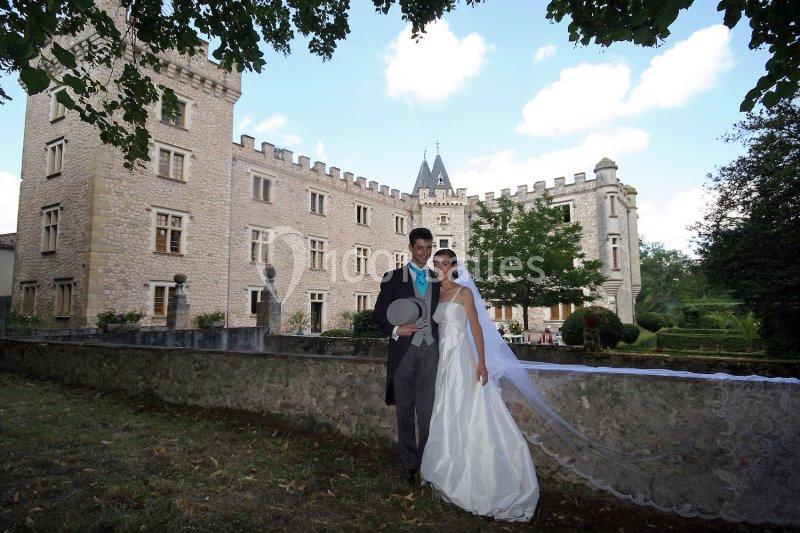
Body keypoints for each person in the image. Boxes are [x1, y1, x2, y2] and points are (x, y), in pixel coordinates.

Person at [420, 248, 539, 521]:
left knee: (466, 410)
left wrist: (481, 362)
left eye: (445, 264)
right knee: (446, 410)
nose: (440, 268)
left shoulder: (464, 292)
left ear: (454, 266)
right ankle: (447, 473)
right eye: (436, 264)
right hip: (444, 360)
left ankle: (481, 482)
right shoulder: (436, 295)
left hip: (463, 358)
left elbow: (476, 327)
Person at [373, 228, 441, 485]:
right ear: (411, 248)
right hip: (403, 353)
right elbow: (378, 315)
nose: (424, 253)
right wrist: (395, 330)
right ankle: (408, 465)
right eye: (420, 247)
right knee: (404, 413)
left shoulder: (438, 279)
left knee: (426, 414)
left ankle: (427, 465)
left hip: (431, 353)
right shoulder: (393, 278)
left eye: (428, 247)